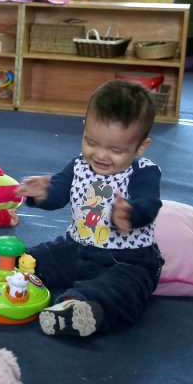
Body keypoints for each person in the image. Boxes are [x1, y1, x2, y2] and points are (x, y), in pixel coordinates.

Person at [13, 80, 163, 338]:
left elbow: (149, 203)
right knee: (33, 259)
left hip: (127, 261)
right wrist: (43, 194)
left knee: (122, 290)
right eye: (91, 142)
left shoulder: (143, 172)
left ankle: (77, 309)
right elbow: (59, 192)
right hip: (76, 249)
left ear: (140, 146)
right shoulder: (79, 165)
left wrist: (130, 212)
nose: (101, 155)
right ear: (85, 128)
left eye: (115, 150)